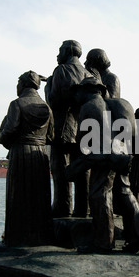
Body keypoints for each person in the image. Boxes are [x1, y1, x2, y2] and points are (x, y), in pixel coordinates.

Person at [67, 77, 139, 253]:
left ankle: (103, 242)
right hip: (122, 154)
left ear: (88, 90)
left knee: (100, 195)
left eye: (79, 91)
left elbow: (83, 140)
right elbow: (132, 134)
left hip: (104, 157)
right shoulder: (120, 104)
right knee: (126, 194)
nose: (76, 95)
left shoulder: (89, 106)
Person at [0, 70, 55, 247]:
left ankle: (17, 238)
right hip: (40, 156)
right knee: (39, 197)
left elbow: (9, 130)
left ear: (23, 84)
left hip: (21, 154)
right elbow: (51, 137)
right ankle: (40, 237)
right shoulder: (47, 108)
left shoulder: (16, 104)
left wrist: (2, 134)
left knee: (19, 196)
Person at [45, 40, 92, 218]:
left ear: (68, 51)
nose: (57, 55)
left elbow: (54, 101)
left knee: (60, 170)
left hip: (65, 128)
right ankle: (83, 209)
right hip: (86, 130)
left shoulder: (61, 70)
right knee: (83, 171)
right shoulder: (88, 73)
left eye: (59, 51)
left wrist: (49, 85)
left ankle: (62, 209)